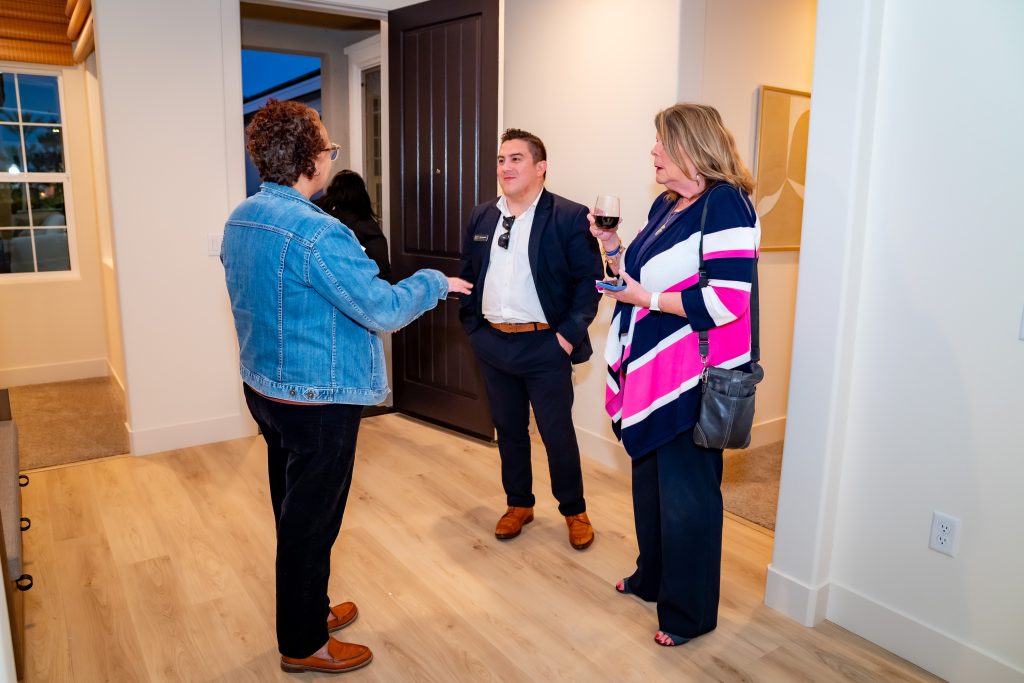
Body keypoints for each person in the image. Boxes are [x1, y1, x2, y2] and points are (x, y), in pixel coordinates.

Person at [221, 99, 472, 674]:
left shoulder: (242, 218)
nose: (332, 157)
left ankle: (308, 607)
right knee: (312, 522)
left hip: (265, 390)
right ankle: (303, 641)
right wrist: (434, 281)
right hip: (317, 400)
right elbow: (382, 308)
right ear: (309, 159)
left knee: (293, 509)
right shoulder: (319, 233)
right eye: (329, 148)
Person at [590, 104, 759, 647]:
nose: (654, 152)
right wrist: (612, 249)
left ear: (691, 146)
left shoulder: (727, 204)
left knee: (688, 499)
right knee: (650, 486)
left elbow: (728, 299)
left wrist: (645, 298)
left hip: (693, 376)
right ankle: (652, 579)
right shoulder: (668, 204)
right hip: (651, 373)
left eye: (662, 142)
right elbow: (638, 275)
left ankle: (689, 613)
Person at [459, 128, 603, 550]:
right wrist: (473, 328)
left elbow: (588, 282)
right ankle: (518, 503)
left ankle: (574, 510)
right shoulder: (483, 216)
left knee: (557, 432)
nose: (506, 167)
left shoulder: (569, 216)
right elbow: (469, 272)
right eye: (502, 160)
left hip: (545, 345)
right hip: (492, 343)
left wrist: (564, 338)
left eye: (516, 159)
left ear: (541, 168)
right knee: (509, 428)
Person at [315, 170, 392, 281]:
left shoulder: (326, 219)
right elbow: (382, 269)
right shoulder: (367, 226)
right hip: (371, 285)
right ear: (361, 194)